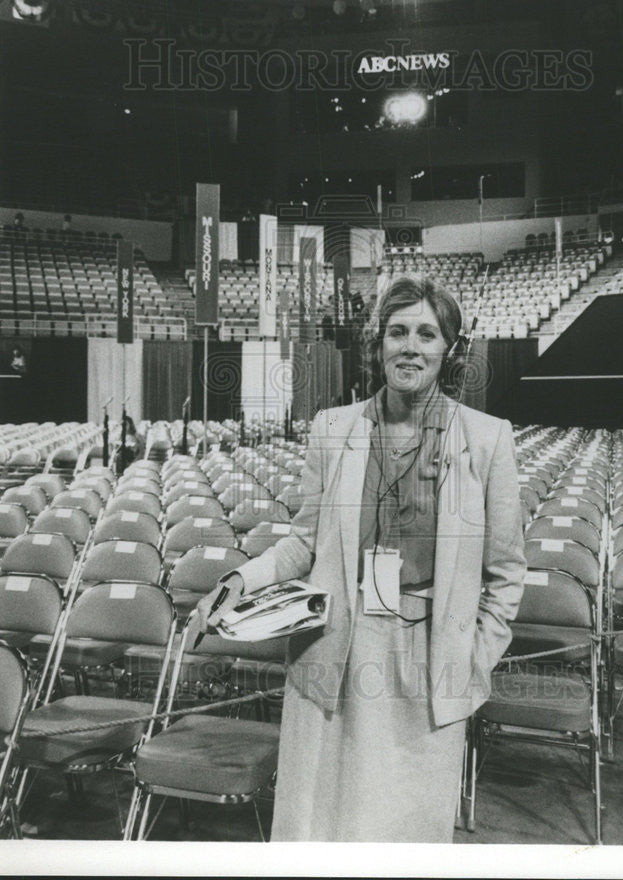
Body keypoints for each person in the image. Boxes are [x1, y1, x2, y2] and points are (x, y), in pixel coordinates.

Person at [197, 275, 526, 842]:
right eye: (398, 331)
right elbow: (306, 541)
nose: (411, 346)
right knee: (320, 827)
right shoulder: (334, 428)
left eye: (427, 333)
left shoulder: (488, 439)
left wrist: (474, 657)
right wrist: (238, 580)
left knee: (405, 834)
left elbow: (505, 571)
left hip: (429, 657)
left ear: (448, 348)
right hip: (337, 645)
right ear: (378, 344)